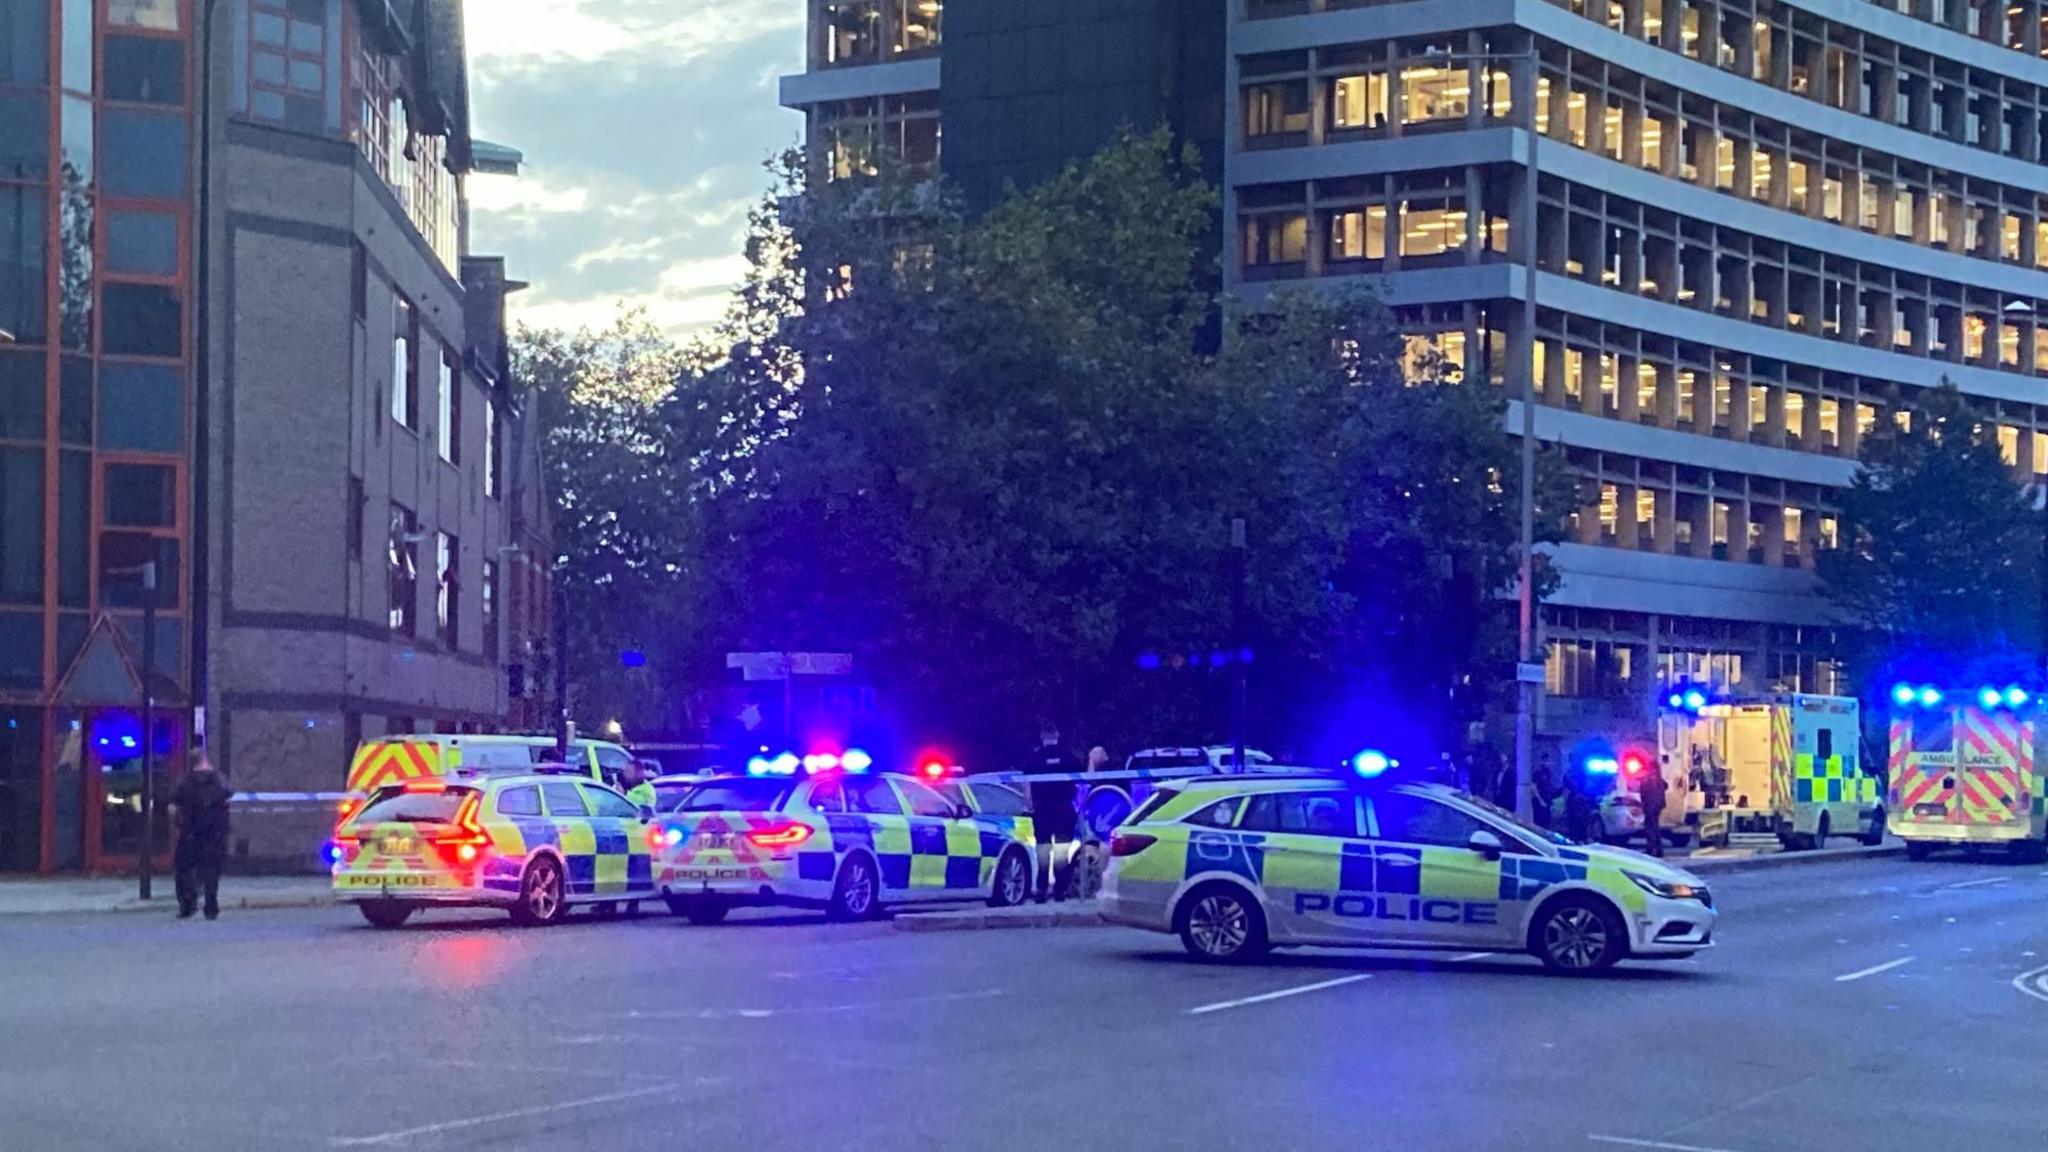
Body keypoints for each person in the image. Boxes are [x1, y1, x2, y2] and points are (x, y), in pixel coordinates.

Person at [169, 751, 233, 921]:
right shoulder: (220, 781)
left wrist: (178, 823)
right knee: (211, 870)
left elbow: (173, 808)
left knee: (183, 868)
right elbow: (228, 802)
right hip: (214, 833)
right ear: (206, 760)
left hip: (190, 832)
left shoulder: (184, 782)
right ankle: (211, 907)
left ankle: (187, 905)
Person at [1024, 725, 1080, 903]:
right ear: (1057, 735)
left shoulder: (1034, 759)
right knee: (1062, 852)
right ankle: (1059, 891)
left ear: (1042, 736)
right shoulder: (1068, 756)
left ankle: (1041, 890)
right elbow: (1080, 781)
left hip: (1042, 811)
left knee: (1042, 850)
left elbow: (1026, 785)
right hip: (1064, 810)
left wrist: (1030, 805)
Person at [1639, 763, 1670, 858]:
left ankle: (1651, 849)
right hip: (1658, 806)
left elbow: (1644, 791)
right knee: (1655, 827)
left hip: (1650, 806)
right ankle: (1658, 850)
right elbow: (1666, 785)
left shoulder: (1648, 779)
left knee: (1650, 828)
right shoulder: (1659, 779)